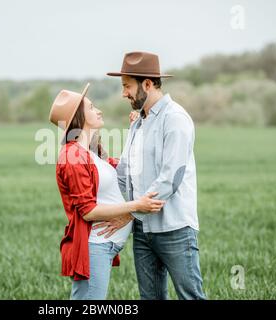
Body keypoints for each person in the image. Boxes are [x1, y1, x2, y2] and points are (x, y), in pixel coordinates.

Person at [94, 51, 207, 300]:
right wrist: (96, 159)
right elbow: (125, 174)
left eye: (127, 86)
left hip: (175, 228)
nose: (124, 93)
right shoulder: (138, 122)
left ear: (147, 84)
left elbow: (170, 180)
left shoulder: (175, 119)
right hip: (143, 231)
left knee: (191, 297)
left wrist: (128, 212)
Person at [49, 83, 165, 300]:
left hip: (104, 246)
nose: (99, 110)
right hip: (95, 245)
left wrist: (135, 130)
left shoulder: (92, 153)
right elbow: (88, 211)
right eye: (92, 108)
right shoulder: (72, 156)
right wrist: (135, 207)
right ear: (78, 118)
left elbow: (126, 169)